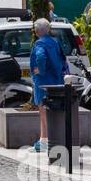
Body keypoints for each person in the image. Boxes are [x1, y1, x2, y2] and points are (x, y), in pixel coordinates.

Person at [29, 17, 66, 153]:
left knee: (43, 113)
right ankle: (48, 139)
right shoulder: (55, 42)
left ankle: (43, 141)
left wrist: (40, 70)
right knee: (54, 113)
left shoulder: (40, 44)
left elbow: (40, 57)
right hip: (56, 81)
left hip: (43, 82)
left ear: (37, 31)